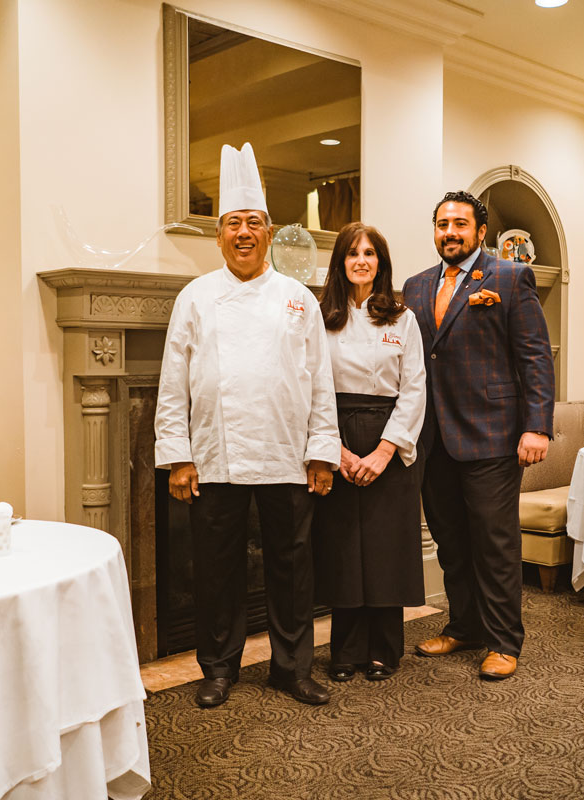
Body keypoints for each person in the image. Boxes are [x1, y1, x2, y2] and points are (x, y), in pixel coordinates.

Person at [154, 142, 341, 708]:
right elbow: (172, 383)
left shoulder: (296, 298)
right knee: (217, 570)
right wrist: (178, 454)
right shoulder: (195, 297)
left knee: (292, 569)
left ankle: (291, 668)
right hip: (215, 455)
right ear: (219, 236)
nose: (242, 233)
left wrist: (323, 450)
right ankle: (218, 668)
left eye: (253, 223)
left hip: (286, 454)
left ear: (269, 231)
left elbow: (319, 380)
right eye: (232, 223)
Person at [401, 190, 555, 680]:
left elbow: (535, 356)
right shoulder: (415, 286)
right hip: (433, 438)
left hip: (492, 434)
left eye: (460, 225)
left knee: (494, 543)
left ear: (480, 232)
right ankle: (465, 625)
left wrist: (536, 426)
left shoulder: (510, 278)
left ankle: (505, 640)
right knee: (451, 543)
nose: (450, 232)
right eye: (442, 224)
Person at [312, 222, 426, 682]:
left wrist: (383, 451)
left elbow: (414, 389)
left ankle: (384, 649)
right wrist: (332, 448)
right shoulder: (320, 318)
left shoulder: (403, 318)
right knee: (342, 545)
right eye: (352, 253)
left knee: (384, 546)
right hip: (333, 430)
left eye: (370, 253)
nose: (361, 260)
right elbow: (310, 385)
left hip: (388, 437)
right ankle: (345, 650)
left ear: (381, 263)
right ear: (340, 263)